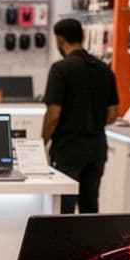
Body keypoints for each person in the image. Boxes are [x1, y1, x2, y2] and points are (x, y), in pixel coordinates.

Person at [40, 17, 119, 214]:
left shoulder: (61, 69)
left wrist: (43, 141)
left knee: (63, 210)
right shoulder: (104, 69)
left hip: (67, 150)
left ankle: (64, 246)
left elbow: (53, 114)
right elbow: (112, 114)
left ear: (59, 40)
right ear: (82, 37)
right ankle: (91, 245)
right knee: (90, 208)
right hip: (96, 149)